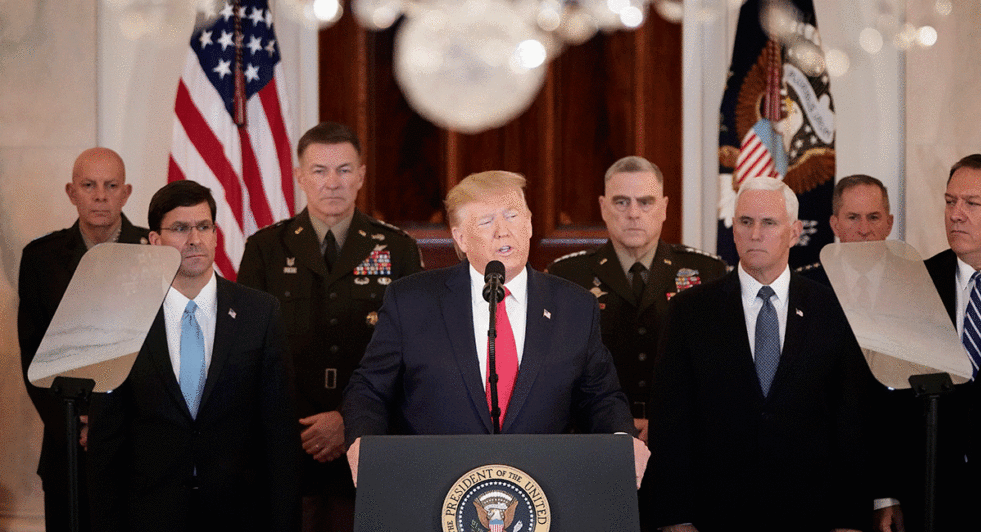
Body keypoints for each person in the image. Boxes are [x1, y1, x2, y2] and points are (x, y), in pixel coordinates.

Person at [342, 170, 649, 486]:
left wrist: (621, 439)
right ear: (460, 238)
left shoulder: (574, 306)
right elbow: (369, 389)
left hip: (542, 488)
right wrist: (364, 443)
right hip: (433, 485)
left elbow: (601, 397)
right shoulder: (411, 301)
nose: (504, 231)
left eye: (513, 216)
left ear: (529, 224)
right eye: (486, 222)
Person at [642, 176, 875, 532]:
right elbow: (671, 422)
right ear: (733, 229)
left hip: (811, 514)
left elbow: (851, 421)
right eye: (745, 222)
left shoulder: (832, 309)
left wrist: (849, 519)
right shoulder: (690, 312)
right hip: (714, 514)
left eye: (769, 223)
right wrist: (675, 516)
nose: (755, 234)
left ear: (795, 232)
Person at [236, 122, 422, 531]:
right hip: (286, 440)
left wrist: (345, 418)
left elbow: (411, 354)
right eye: (319, 171)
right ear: (300, 177)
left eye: (343, 169)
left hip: (369, 442)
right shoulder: (265, 249)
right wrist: (303, 425)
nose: (332, 182)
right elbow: (245, 353)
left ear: (361, 175)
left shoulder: (397, 249)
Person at [87, 180, 301, 532]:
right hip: (151, 515)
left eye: (204, 227)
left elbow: (280, 438)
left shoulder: (258, 313)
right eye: (180, 228)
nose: (194, 240)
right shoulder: (125, 315)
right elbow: (107, 443)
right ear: (155, 240)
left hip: (239, 514)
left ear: (216, 234)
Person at [879, 154, 981, 531]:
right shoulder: (915, 282)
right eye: (949, 201)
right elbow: (890, 399)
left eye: (972, 203)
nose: (956, 214)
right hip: (929, 499)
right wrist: (887, 493)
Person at [547, 156, 725, 441]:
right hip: (596, 436)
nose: (633, 213)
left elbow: (717, 368)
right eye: (621, 202)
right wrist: (614, 423)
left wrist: (667, 420)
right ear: (603, 208)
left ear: (664, 208)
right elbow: (560, 372)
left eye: (645, 202)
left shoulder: (707, 271)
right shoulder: (568, 275)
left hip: (684, 435)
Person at [18, 147, 149, 531]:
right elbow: (34, 355)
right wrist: (76, 425)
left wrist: (115, 426)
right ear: (71, 192)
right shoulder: (40, 259)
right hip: (68, 444)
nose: (100, 196)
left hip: (138, 441)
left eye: (111, 186)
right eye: (88, 185)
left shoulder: (154, 251)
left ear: (126, 193)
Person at [797, 174, 894, 285]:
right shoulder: (808, 284)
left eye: (873, 218)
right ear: (835, 226)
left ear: (889, 224)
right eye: (853, 218)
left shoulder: (915, 278)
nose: (864, 230)